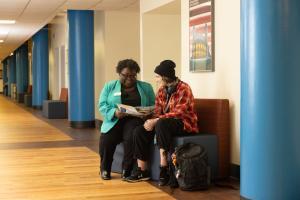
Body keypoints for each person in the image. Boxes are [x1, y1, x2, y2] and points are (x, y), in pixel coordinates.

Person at [126, 60, 199, 185]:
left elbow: (178, 113)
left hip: (184, 123)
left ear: (165, 77)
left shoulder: (184, 88)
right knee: (139, 130)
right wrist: (148, 118)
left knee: (161, 124)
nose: (156, 79)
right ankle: (142, 171)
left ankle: (164, 168)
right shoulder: (161, 91)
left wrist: (156, 120)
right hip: (164, 123)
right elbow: (158, 112)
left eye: (157, 76)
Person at [98, 59, 155, 180]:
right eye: (125, 75)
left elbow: (154, 105)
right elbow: (102, 105)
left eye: (133, 75)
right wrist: (114, 112)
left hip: (135, 119)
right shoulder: (110, 86)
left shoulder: (146, 87)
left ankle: (127, 169)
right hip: (114, 120)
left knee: (131, 137)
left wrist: (147, 113)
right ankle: (105, 169)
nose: (129, 78)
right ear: (119, 73)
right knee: (107, 138)